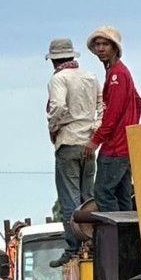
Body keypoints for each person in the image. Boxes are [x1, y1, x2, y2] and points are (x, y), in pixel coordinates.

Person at [44, 37, 102, 267]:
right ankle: (92, 240)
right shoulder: (90, 76)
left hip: (68, 142)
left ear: (54, 60)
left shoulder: (59, 79)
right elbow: (101, 106)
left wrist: (53, 127)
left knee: (70, 200)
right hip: (88, 142)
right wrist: (94, 132)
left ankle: (73, 246)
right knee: (88, 197)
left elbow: (57, 107)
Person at [84, 26, 141, 212]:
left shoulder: (117, 74)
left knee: (103, 192)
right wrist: (130, 126)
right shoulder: (119, 72)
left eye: (105, 44)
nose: (101, 49)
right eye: (98, 45)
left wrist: (95, 140)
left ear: (114, 48)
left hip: (115, 146)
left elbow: (112, 115)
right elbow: (137, 102)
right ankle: (129, 239)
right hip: (124, 143)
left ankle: (116, 238)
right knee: (122, 194)